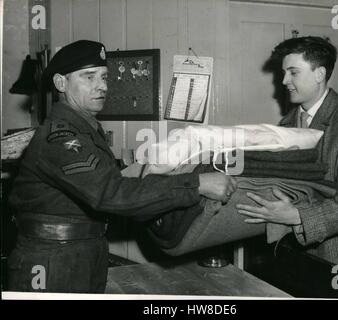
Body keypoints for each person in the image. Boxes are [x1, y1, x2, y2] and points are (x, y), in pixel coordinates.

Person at [7, 40, 237, 293]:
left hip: (81, 250)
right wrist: (198, 184)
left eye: (104, 77)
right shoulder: (60, 137)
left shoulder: (85, 129)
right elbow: (110, 193)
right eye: (89, 77)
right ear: (61, 83)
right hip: (52, 259)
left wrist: (148, 171)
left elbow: (103, 182)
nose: (102, 86)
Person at [237, 36, 338, 279]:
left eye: (293, 72)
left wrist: (296, 216)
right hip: (295, 258)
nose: (284, 81)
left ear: (319, 74)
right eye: (284, 73)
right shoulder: (286, 124)